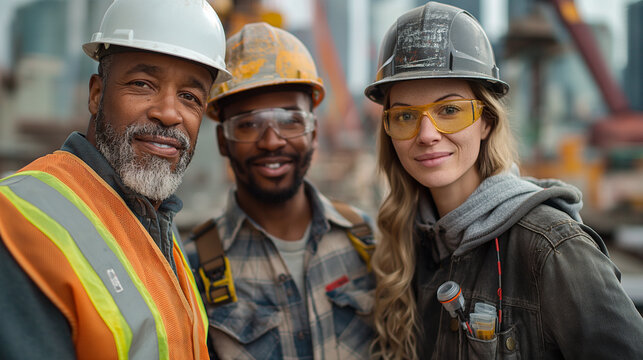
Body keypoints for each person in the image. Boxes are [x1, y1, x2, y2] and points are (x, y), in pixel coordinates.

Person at [364, 2, 643, 359]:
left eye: (449, 110)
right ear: (389, 131)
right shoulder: (406, 248)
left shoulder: (553, 248)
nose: (427, 134)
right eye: (405, 115)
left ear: (487, 122)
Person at [0, 0, 230, 359]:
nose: (169, 113)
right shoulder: (17, 216)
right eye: (142, 84)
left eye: (189, 96)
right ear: (96, 94)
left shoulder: (161, 231)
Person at [186, 22, 376, 359]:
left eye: (290, 120)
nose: (272, 141)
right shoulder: (193, 269)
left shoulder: (367, 241)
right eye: (248, 124)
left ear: (314, 132)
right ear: (222, 141)